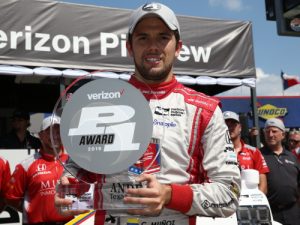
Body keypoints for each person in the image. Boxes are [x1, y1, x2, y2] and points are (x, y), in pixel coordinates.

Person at [55, 3, 241, 225]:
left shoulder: (204, 110)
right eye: (143, 38)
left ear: (178, 47)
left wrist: (169, 195)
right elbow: (79, 183)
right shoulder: (99, 104)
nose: (153, 46)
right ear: (130, 48)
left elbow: (229, 196)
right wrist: (69, 198)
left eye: (163, 37)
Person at [5, 115, 73, 224]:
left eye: (58, 131)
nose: (55, 135)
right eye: (49, 131)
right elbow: (11, 197)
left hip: (73, 222)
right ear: (40, 135)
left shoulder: (75, 162)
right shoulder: (26, 165)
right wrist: (30, 210)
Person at [260, 118, 300, 225]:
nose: (270, 134)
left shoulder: (292, 157)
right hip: (270, 212)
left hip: (293, 212)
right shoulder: (258, 155)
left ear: (283, 135)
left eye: (274, 131)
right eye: (267, 131)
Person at [223, 111, 269, 194]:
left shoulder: (254, 152)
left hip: (248, 203)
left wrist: (256, 200)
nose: (229, 127)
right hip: (223, 202)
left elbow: (263, 183)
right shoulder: (214, 151)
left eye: (233, 124)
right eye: (225, 124)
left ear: (240, 127)